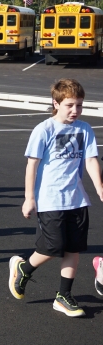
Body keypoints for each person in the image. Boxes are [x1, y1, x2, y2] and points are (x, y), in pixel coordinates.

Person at [9, 78, 103, 317]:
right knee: (53, 247)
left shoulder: (84, 129)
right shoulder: (44, 129)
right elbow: (32, 165)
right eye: (70, 105)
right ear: (56, 103)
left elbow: (91, 160)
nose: (75, 110)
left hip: (77, 199)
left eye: (79, 105)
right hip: (50, 198)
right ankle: (24, 268)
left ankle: (63, 296)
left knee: (73, 248)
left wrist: (100, 187)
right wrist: (29, 197)